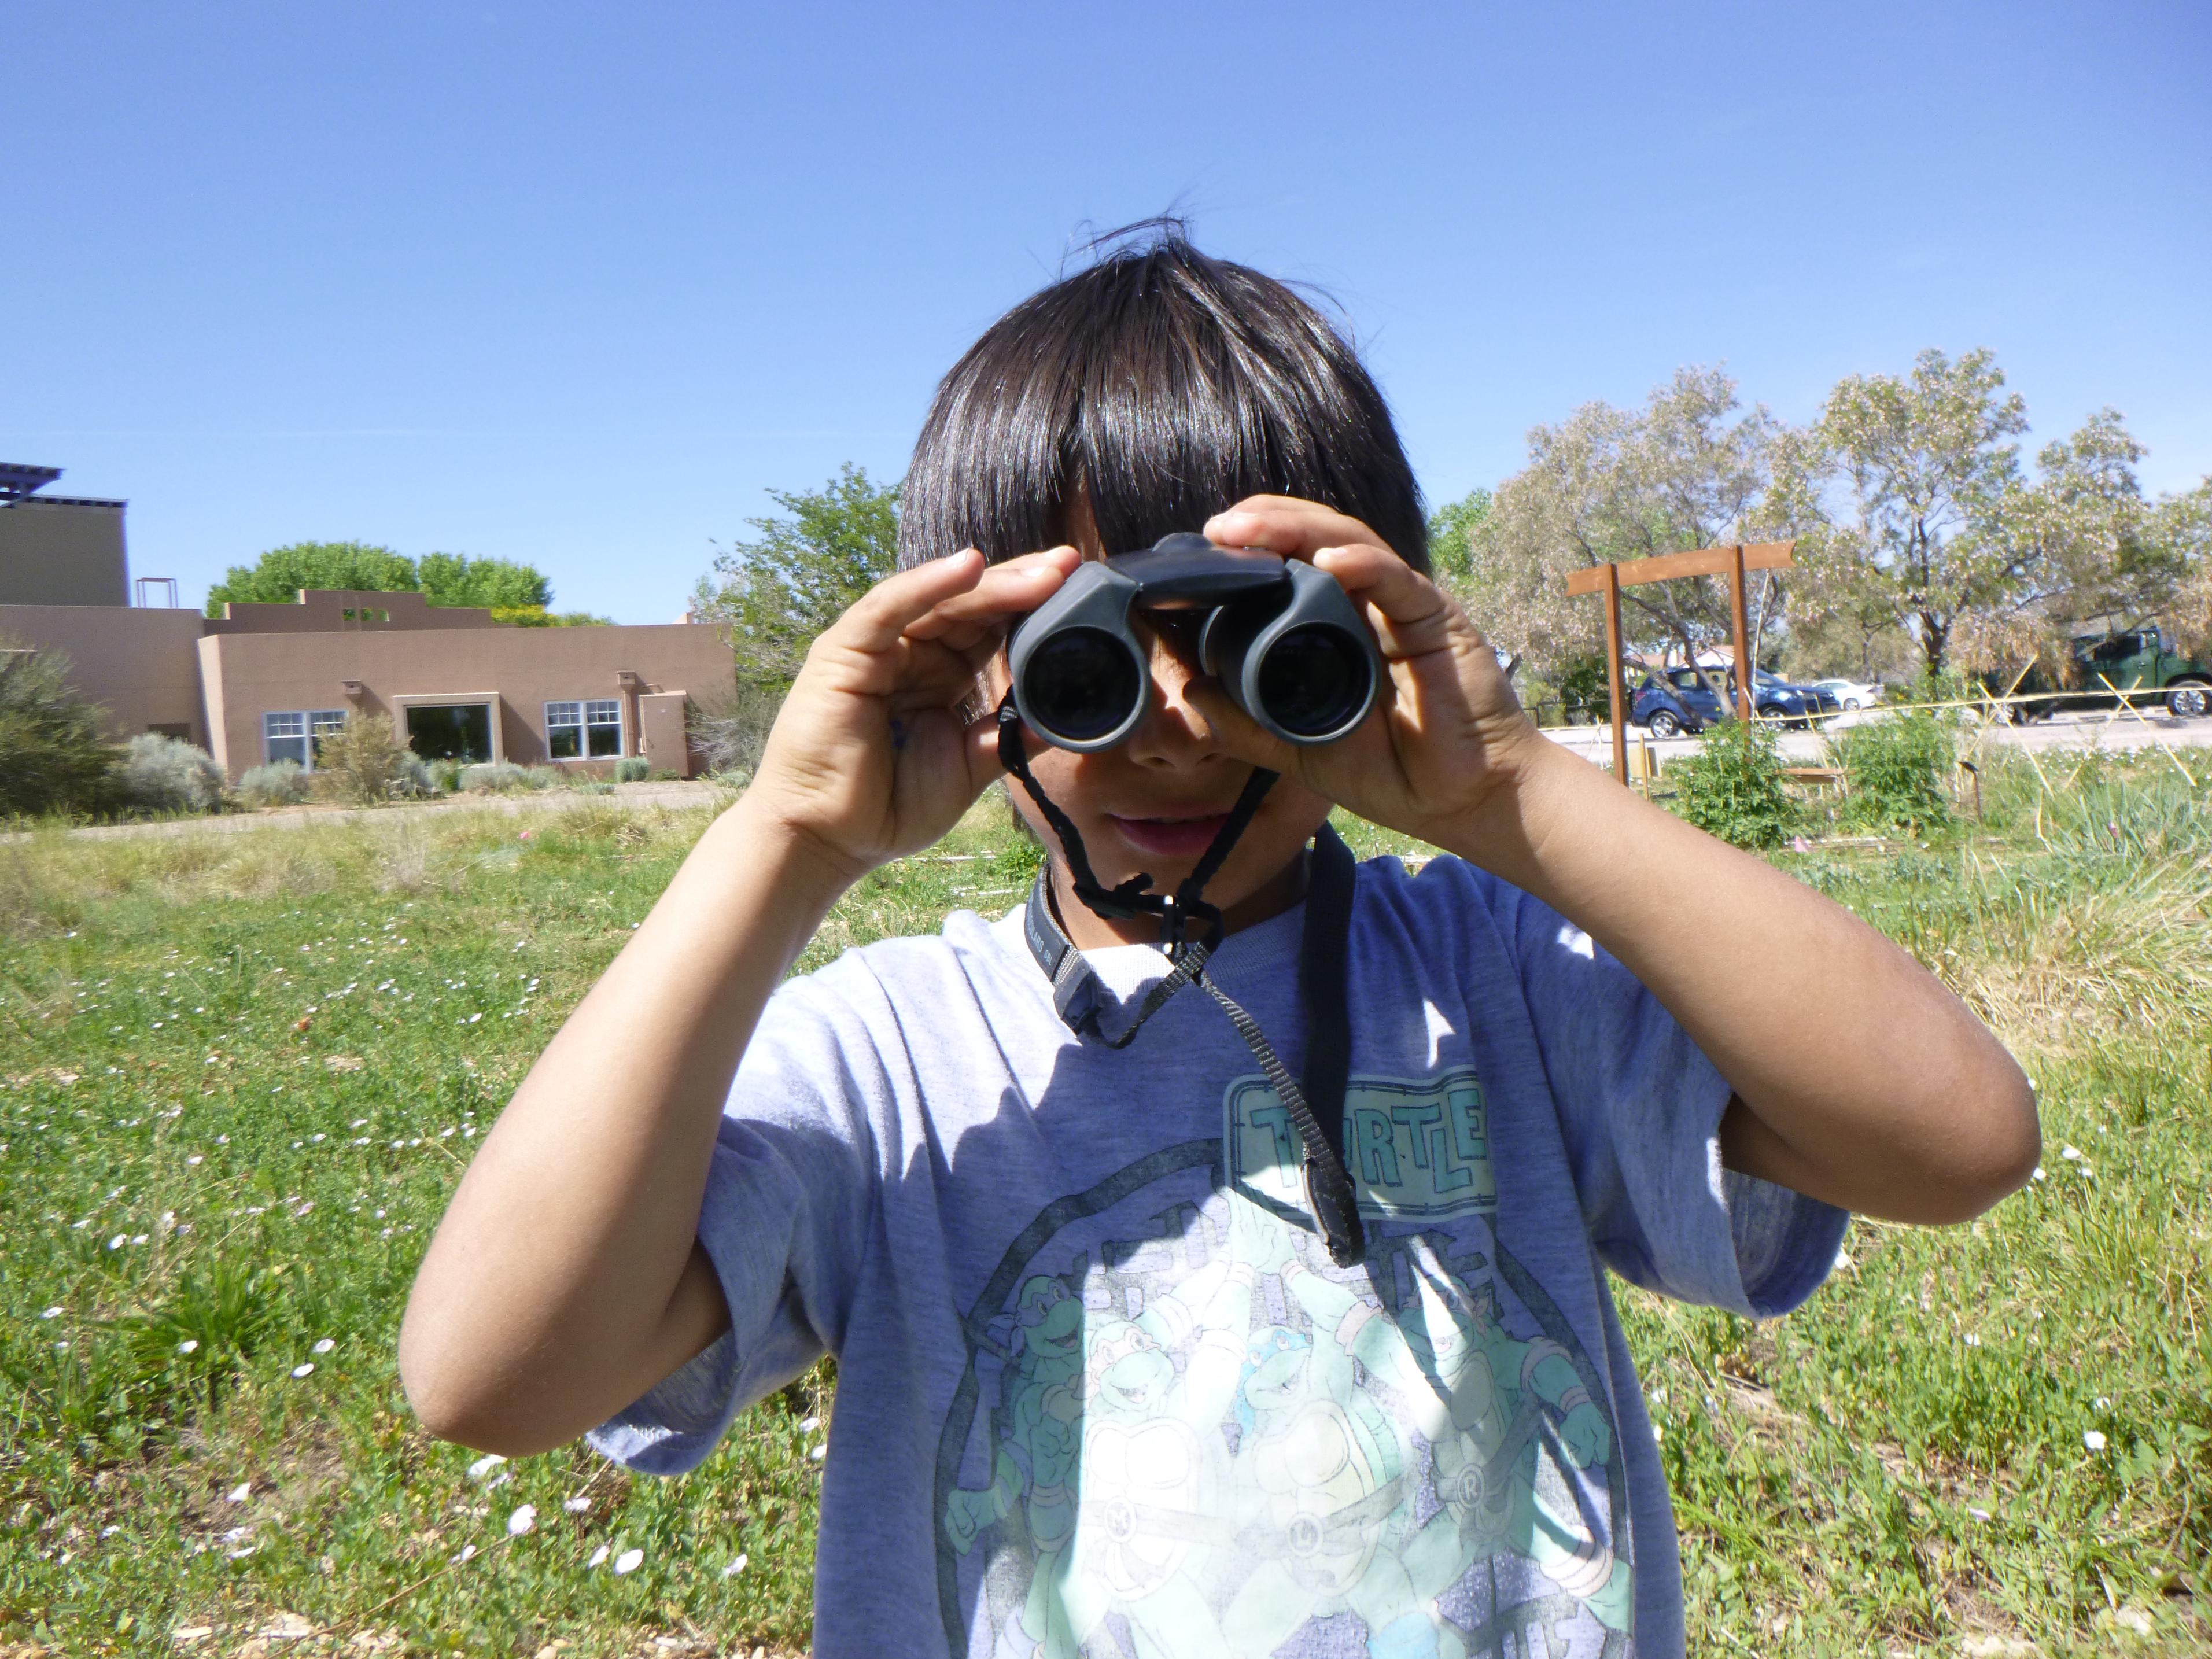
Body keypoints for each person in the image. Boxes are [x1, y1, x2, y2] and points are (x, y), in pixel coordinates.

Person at [399, 227, 2038, 1659]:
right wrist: (784, 839)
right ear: (973, 662)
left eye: (1255, 644)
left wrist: (1513, 791)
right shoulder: (899, 1057)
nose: (1173, 725)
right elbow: (492, 1372)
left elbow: (1959, 1138)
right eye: (1088, 658)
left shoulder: (1496, 980)